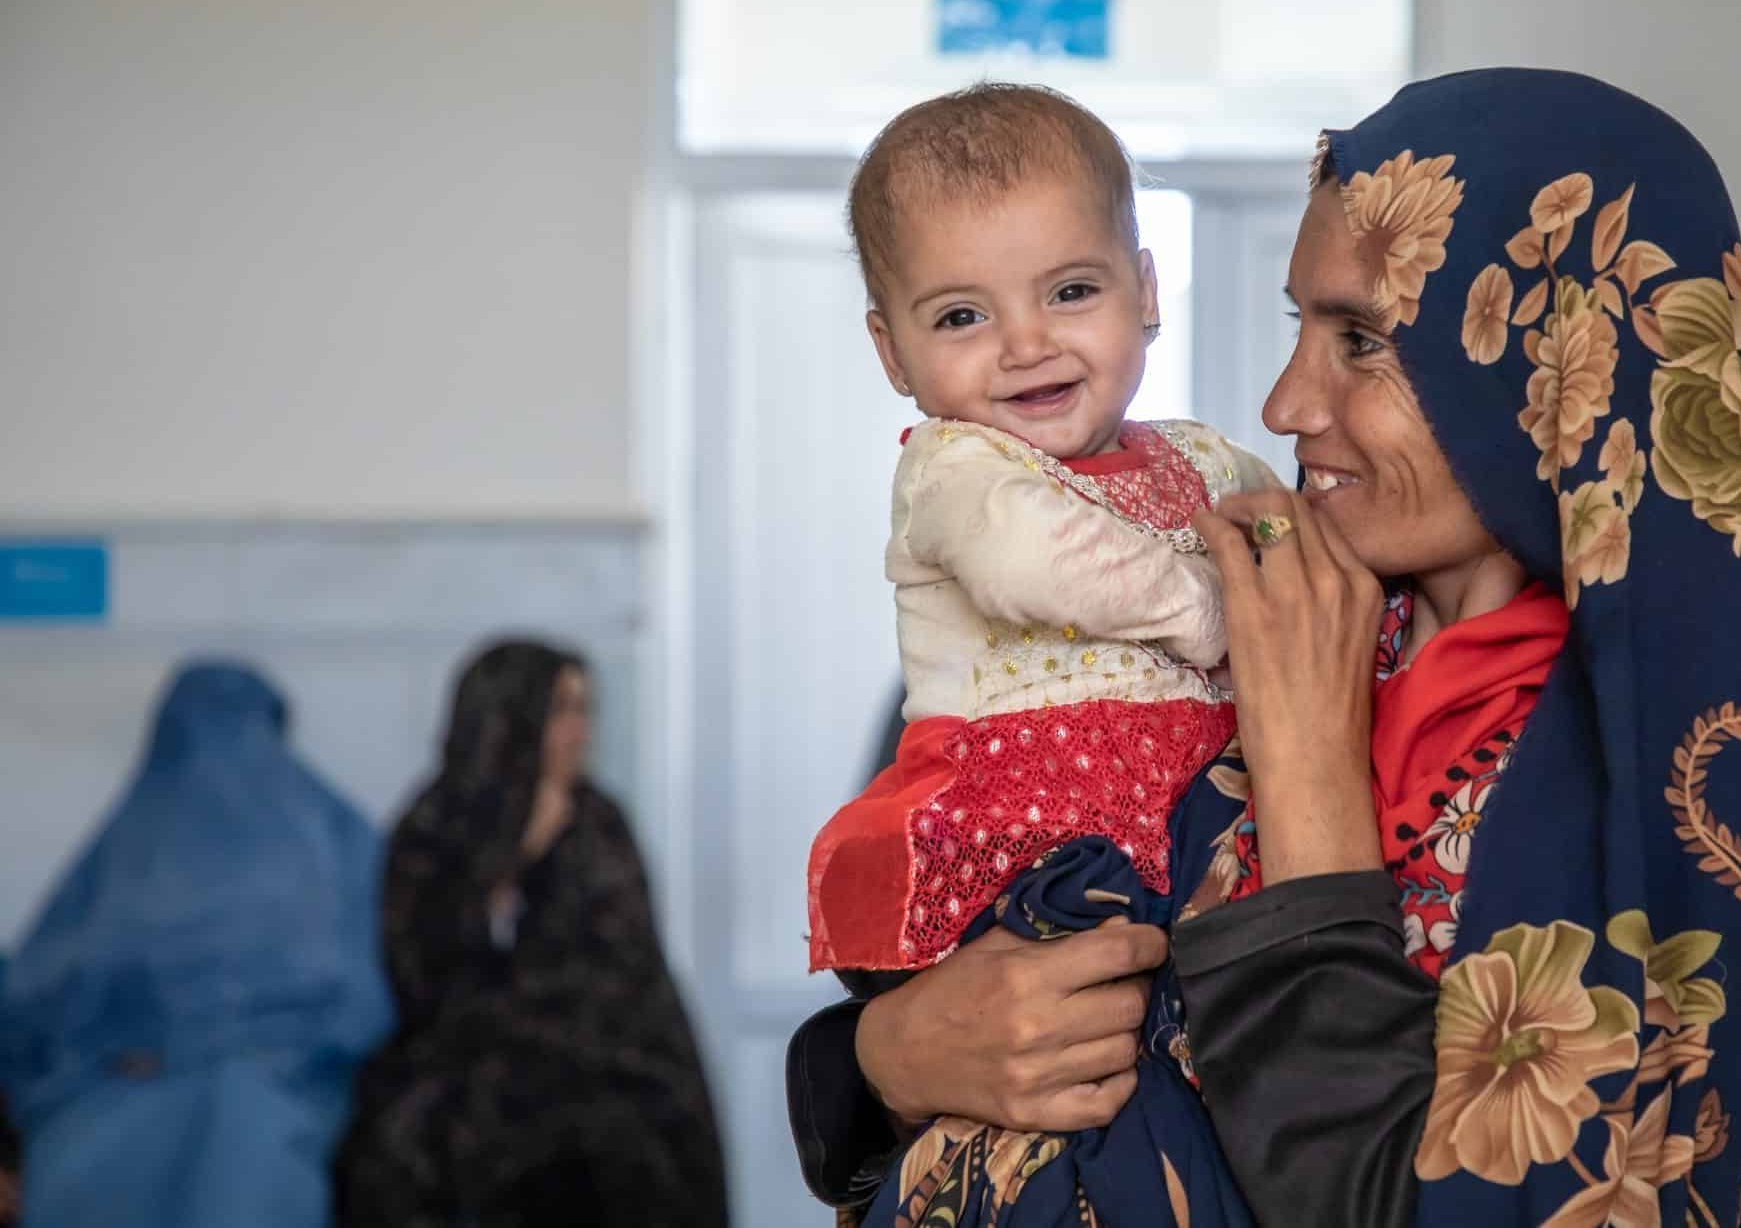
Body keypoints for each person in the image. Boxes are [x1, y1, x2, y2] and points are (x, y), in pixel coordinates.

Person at [789, 68, 1741, 1227]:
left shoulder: (1668, 776)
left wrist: (1307, 777)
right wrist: (884, 1060)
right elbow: (952, 1000)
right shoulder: (1287, 601)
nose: (1285, 404)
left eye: (1365, 342)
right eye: (1302, 327)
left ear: (1550, 365)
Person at [805, 82, 1282, 1224]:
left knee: (1185, 1070)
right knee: (1083, 1097)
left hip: (1181, 837)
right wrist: (1225, 611)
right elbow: (1038, 559)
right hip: (1032, 848)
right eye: (961, 317)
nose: (1026, 345)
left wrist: (1294, 559)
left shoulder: (1201, 456)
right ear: (891, 350)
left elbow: (1290, 536)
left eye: (1070, 291)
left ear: (1145, 292)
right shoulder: (955, 469)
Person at [338, 640, 727, 1228]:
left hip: (602, 1058)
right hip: (467, 1058)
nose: (578, 730)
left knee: (625, 1143)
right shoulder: (435, 827)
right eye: (560, 709)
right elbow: (421, 973)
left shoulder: (597, 823)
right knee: (403, 1142)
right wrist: (510, 859)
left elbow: (622, 971)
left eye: (585, 710)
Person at [0, 662, 392, 1228]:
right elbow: (369, 1001)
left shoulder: (123, 849)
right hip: (262, 1126)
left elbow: (30, 1007)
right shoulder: (326, 832)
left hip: (103, 1123)